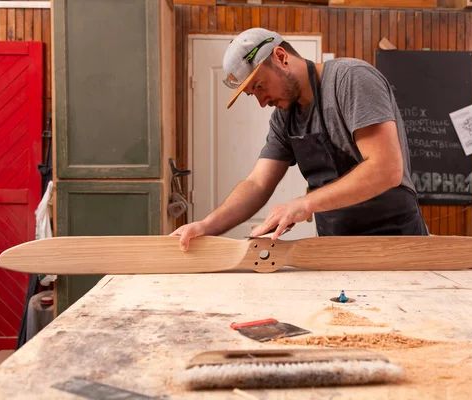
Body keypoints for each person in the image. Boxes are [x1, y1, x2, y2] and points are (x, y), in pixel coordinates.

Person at [171, 27, 428, 251]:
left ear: (281, 57)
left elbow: (386, 169)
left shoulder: (350, 79)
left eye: (260, 86)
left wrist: (304, 204)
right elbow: (257, 184)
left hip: (396, 241)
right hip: (335, 247)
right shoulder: (284, 118)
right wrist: (206, 226)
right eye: (253, 95)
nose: (262, 102)